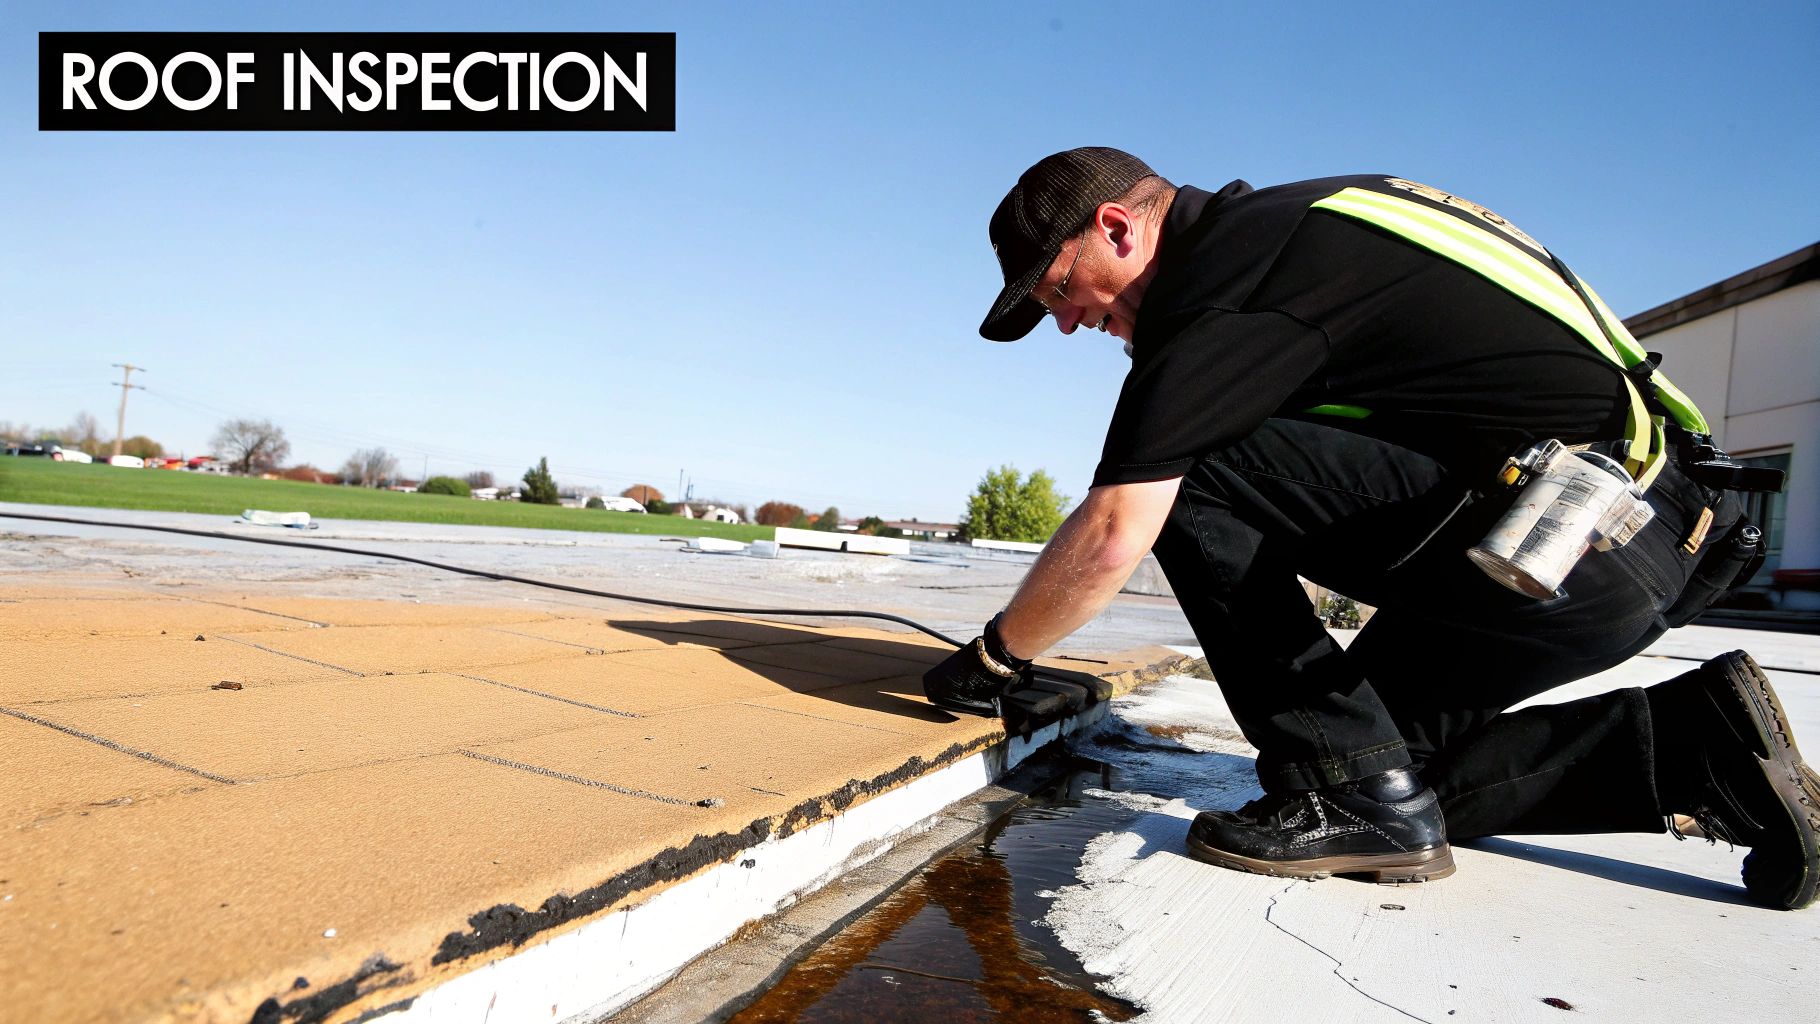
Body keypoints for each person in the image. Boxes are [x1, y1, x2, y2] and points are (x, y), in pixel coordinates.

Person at [922, 146, 1817, 911]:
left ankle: (1354, 789)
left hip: (1564, 541)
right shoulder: (1316, 221)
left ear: (1118, 228)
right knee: (1379, 777)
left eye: (1060, 292)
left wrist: (995, 660)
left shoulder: (1228, 283)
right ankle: (1702, 750)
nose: (1071, 324)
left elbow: (1120, 525)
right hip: (1632, 541)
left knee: (1191, 471)